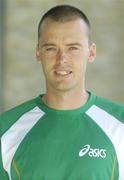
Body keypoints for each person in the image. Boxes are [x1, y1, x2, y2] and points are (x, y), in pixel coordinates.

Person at [0, 4, 124, 180]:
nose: (61, 59)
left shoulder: (120, 125)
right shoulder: (5, 129)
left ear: (91, 52)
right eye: (51, 48)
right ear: (38, 53)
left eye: (72, 48)